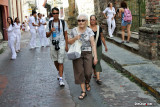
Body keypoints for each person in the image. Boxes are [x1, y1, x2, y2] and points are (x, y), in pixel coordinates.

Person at [68, 14, 98, 100]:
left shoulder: (89, 31)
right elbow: (69, 41)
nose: (80, 22)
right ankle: (83, 91)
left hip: (88, 53)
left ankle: (87, 82)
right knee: (79, 72)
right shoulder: (74, 30)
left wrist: (95, 57)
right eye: (79, 20)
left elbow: (93, 44)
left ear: (86, 22)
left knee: (88, 72)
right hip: (77, 53)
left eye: (82, 20)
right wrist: (75, 38)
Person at [46, 7, 68, 87]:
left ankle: (61, 79)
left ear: (58, 14)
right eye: (54, 13)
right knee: (55, 61)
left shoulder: (63, 22)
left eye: (57, 13)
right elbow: (47, 35)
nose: (55, 15)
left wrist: (66, 45)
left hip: (61, 43)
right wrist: (51, 31)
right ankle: (59, 72)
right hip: (53, 44)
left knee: (60, 61)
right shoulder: (49, 23)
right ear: (52, 14)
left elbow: (66, 34)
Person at [89, 15, 108, 85]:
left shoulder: (99, 28)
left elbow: (102, 37)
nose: (92, 21)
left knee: (97, 61)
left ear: (96, 20)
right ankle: (94, 72)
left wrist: (105, 46)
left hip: (98, 46)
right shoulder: (87, 29)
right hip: (90, 47)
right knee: (91, 61)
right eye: (91, 19)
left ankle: (98, 78)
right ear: (89, 20)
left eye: (94, 19)